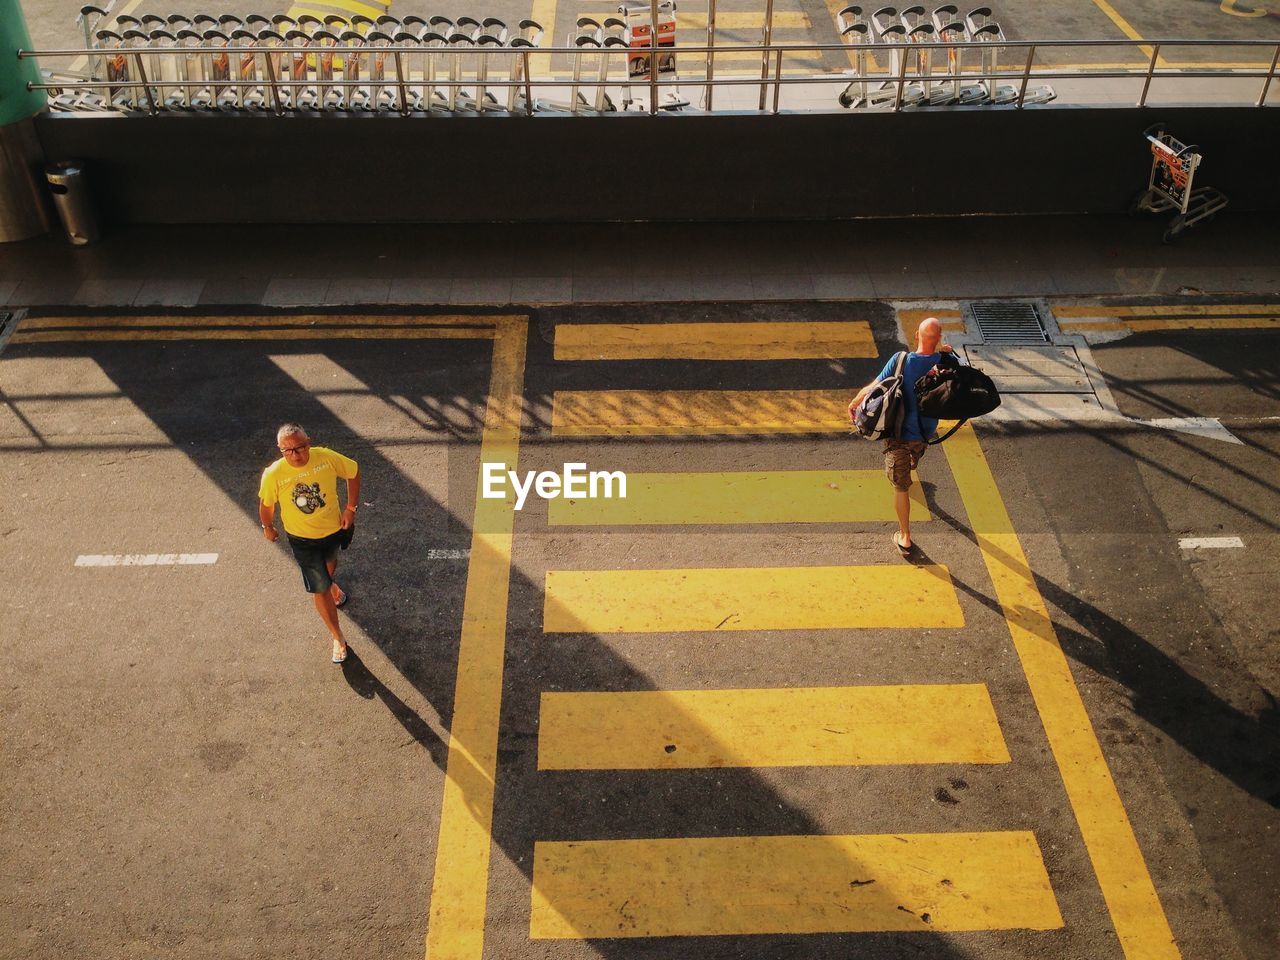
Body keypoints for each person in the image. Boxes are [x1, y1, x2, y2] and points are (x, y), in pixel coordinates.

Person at [848, 317, 957, 557]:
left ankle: (905, 537)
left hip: (898, 434)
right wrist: (945, 353)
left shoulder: (901, 360)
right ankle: (912, 460)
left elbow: (873, 387)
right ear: (938, 339)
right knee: (913, 454)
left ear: (916, 335)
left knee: (901, 488)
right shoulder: (944, 363)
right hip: (925, 434)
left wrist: (855, 402)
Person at [258, 423, 361, 664]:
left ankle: (330, 584)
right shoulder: (274, 474)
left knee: (330, 567)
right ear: (280, 449)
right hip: (303, 540)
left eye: (300, 447)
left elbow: (353, 472)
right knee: (319, 588)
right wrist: (268, 527)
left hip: (335, 530)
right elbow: (266, 504)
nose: (295, 454)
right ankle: (337, 637)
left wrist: (350, 509)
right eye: (288, 450)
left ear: (309, 442)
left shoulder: (325, 458)